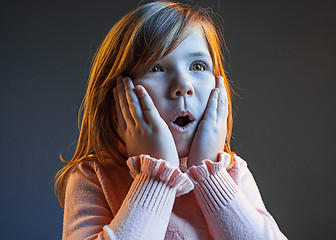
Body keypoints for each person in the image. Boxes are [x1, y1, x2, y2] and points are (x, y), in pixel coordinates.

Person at [55, 1, 287, 239]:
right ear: (117, 101)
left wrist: (210, 176)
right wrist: (156, 175)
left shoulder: (232, 172)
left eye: (197, 66)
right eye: (156, 68)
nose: (183, 86)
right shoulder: (93, 177)